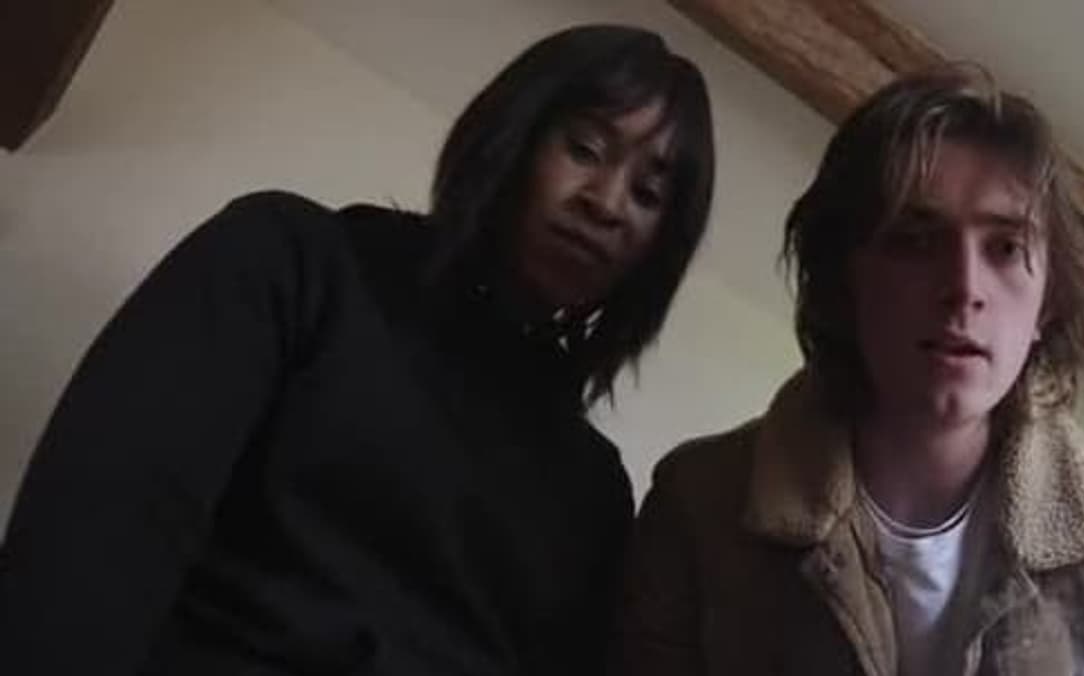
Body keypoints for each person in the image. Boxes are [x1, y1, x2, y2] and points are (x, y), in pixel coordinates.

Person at [0, 25, 714, 675]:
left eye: (648, 194)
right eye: (584, 149)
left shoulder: (593, 495)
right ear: (514, 135)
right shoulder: (292, 264)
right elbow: (99, 540)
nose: (606, 203)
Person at [612, 65, 1084, 675]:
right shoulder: (700, 503)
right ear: (845, 278)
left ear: (1047, 303)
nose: (964, 288)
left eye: (1005, 248)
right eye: (916, 240)